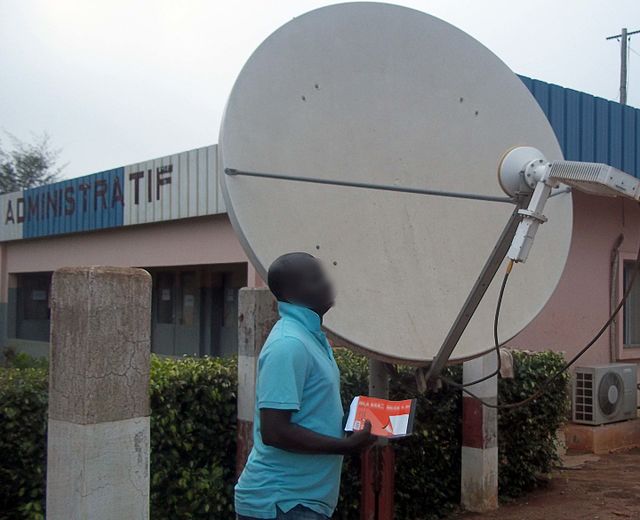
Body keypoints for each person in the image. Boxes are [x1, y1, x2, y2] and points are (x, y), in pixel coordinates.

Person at [235, 252, 376, 520]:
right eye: (315, 279)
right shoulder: (289, 344)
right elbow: (275, 431)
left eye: (322, 275)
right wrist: (346, 447)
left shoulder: (311, 338)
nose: (326, 284)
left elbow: (311, 414)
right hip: (281, 504)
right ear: (291, 293)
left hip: (302, 502)